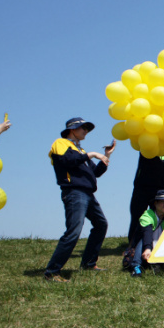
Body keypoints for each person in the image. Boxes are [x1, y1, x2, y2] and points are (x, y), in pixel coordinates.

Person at [45, 118, 115, 282]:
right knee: (74, 231)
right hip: (74, 192)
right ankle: (52, 272)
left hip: (88, 194)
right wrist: (90, 154)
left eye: (86, 128)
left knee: (101, 224)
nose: (85, 131)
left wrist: (106, 156)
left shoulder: (80, 150)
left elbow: (95, 172)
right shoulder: (61, 143)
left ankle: (89, 264)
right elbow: (67, 161)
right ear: (72, 129)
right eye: (82, 128)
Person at [129, 189, 164, 277]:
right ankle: (136, 266)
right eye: (163, 202)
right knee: (143, 240)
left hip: (160, 248)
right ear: (155, 203)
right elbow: (147, 233)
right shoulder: (147, 215)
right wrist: (147, 248)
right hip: (144, 249)